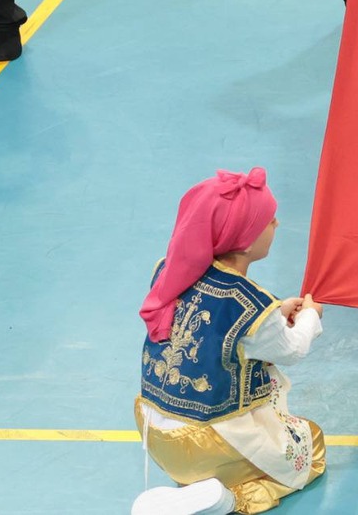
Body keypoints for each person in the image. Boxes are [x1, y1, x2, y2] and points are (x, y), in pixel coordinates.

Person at [134, 168, 325, 515]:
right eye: (269, 221)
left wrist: (277, 313)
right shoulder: (251, 305)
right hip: (208, 444)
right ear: (247, 241)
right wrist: (310, 316)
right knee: (311, 447)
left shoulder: (168, 271)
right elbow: (293, 349)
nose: (277, 224)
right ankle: (230, 498)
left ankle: (190, 485)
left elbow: (216, 332)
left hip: (156, 435)